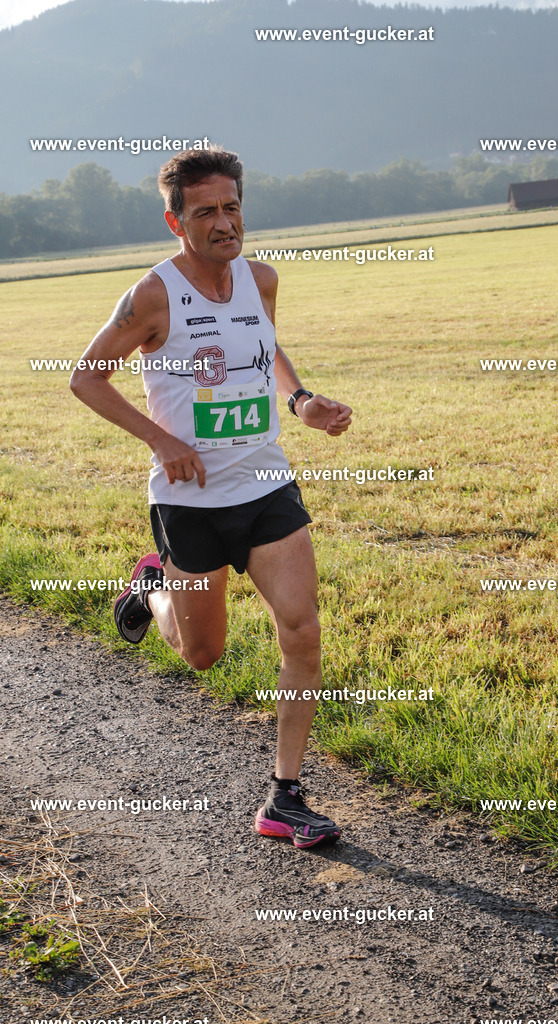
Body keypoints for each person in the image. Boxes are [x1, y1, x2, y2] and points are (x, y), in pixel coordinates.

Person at [70, 146, 352, 849]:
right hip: (189, 501)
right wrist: (160, 441)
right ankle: (152, 588)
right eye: (206, 212)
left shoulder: (262, 279)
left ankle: (284, 798)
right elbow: (86, 377)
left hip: (266, 484)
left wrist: (300, 398)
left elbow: (267, 345)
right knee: (202, 655)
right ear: (176, 221)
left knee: (303, 630)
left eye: (232, 207)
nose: (224, 222)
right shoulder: (153, 296)